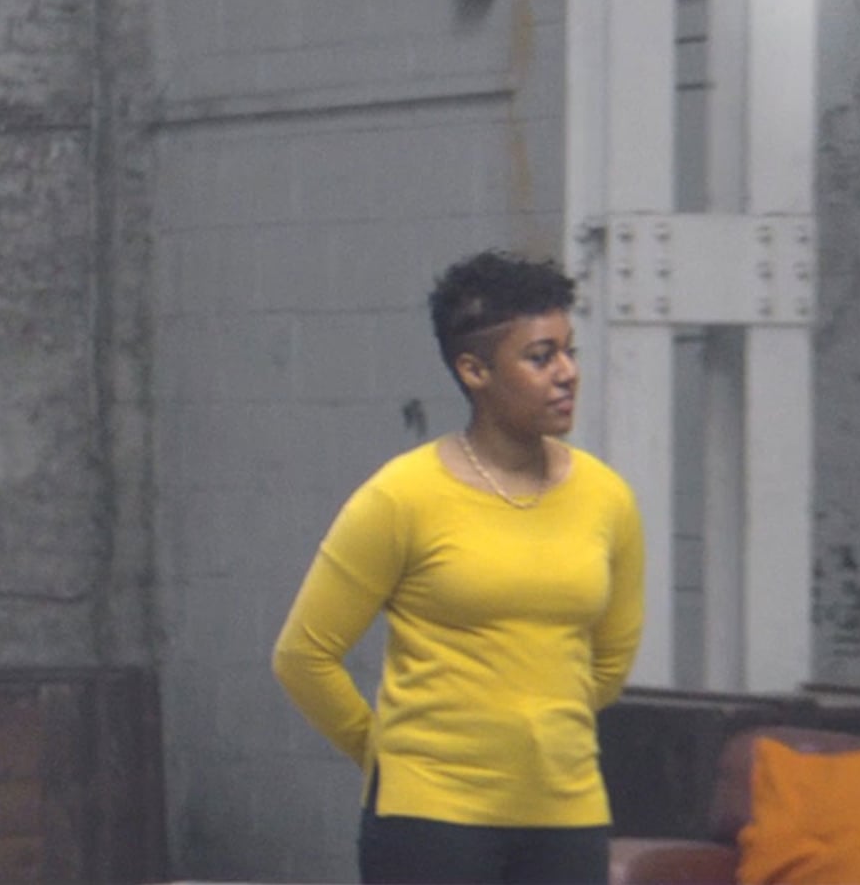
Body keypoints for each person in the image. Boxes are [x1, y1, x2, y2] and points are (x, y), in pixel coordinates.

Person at [272, 250, 645, 885]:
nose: (567, 373)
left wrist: (538, 735)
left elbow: (609, 662)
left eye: (569, 352)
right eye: (540, 357)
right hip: (430, 820)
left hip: (568, 812)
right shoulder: (402, 497)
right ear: (474, 370)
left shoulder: (607, 499)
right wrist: (384, 754)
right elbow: (303, 656)